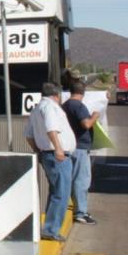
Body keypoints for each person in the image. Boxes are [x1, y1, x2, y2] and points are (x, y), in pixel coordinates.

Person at [24, 82, 76, 241]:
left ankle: (49, 227)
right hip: (58, 155)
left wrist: (38, 150)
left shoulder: (36, 109)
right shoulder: (51, 108)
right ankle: (51, 230)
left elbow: (29, 135)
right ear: (57, 95)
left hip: (48, 154)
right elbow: (51, 128)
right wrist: (58, 148)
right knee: (61, 192)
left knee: (55, 191)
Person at [62, 81, 101, 225]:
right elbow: (86, 124)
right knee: (82, 180)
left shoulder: (65, 105)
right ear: (83, 92)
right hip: (80, 148)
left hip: (70, 146)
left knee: (72, 179)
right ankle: (80, 213)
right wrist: (95, 116)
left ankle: (78, 208)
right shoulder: (78, 106)